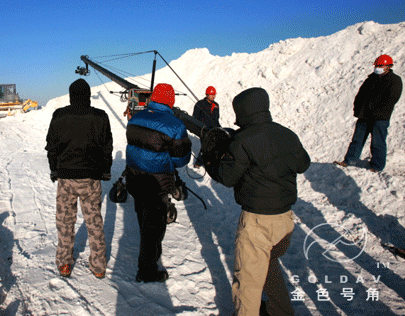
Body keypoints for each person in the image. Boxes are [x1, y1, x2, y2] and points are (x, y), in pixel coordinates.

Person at [202, 87, 310, 316]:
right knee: (269, 265)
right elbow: (303, 164)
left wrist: (210, 160)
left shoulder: (243, 140)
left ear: (241, 111)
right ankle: (281, 311)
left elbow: (226, 177)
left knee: (248, 283)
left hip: (257, 222)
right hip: (286, 221)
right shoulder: (287, 134)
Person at [45, 78, 113, 279]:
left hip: (66, 178)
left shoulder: (59, 115)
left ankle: (65, 263)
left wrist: (54, 170)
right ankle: (99, 266)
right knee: (94, 222)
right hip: (91, 179)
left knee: (65, 222)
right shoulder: (100, 116)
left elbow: (52, 147)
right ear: (88, 95)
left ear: (70, 95)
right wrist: (105, 171)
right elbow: (106, 148)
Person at [125, 83, 192, 282]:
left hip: (135, 178)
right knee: (154, 229)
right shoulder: (175, 125)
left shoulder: (136, 118)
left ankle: (146, 255)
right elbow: (181, 159)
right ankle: (147, 271)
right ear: (171, 100)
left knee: (143, 219)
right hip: (157, 183)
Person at [335, 55, 402, 172]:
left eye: (380, 66)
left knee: (378, 142)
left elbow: (391, 99)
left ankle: (376, 166)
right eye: (377, 65)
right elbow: (360, 95)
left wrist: (377, 111)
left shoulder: (394, 80)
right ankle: (349, 161)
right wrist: (358, 109)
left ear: (388, 66)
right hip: (364, 116)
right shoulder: (370, 79)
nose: (377, 68)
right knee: (357, 140)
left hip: (380, 118)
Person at [192, 86, 221, 167]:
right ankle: (199, 162)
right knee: (206, 145)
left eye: (214, 95)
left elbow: (216, 118)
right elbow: (195, 117)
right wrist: (199, 127)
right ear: (206, 95)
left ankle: (210, 161)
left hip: (213, 128)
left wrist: (219, 128)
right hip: (203, 129)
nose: (213, 96)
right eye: (211, 95)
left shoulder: (216, 105)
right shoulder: (200, 104)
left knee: (215, 145)